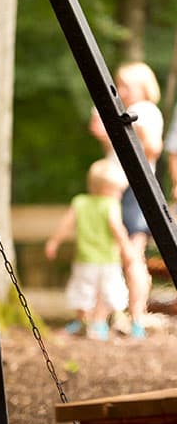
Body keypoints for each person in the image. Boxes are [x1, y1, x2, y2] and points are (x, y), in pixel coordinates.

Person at [90, 61, 163, 339]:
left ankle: (137, 316)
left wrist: (129, 130)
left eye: (126, 86)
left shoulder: (146, 111)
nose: (121, 90)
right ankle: (115, 315)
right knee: (117, 253)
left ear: (143, 87)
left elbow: (152, 148)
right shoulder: (131, 110)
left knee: (132, 254)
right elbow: (112, 145)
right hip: (116, 187)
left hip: (136, 189)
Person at [44, 158, 132, 340]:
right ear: (105, 189)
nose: (120, 195)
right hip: (108, 259)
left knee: (83, 288)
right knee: (104, 290)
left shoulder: (80, 202)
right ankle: (98, 324)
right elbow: (117, 228)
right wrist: (126, 248)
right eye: (117, 191)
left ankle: (81, 321)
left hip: (84, 259)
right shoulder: (111, 205)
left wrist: (54, 241)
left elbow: (66, 224)